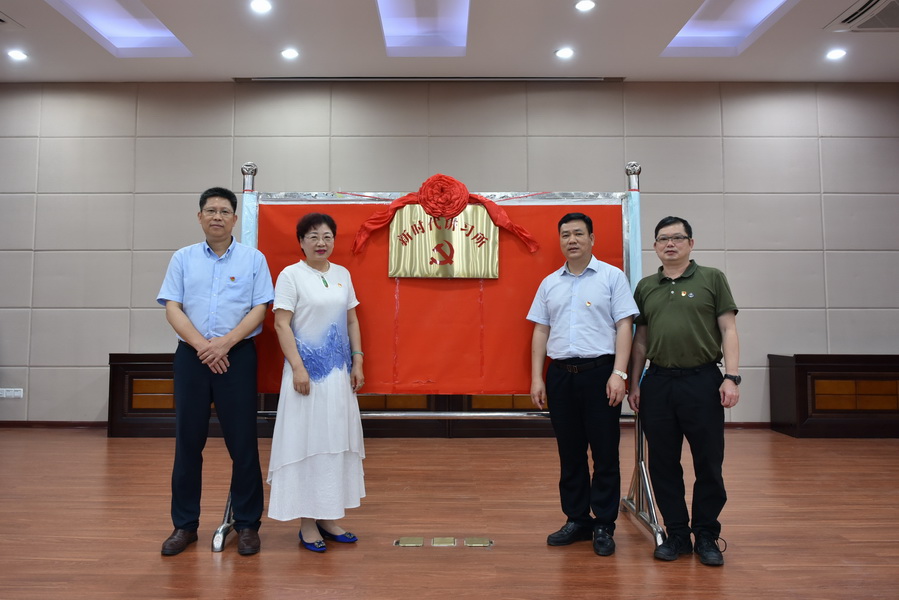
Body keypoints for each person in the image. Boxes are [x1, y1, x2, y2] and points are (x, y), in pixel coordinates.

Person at [157, 187, 274, 556]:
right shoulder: (183, 258)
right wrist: (203, 347)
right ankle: (184, 525)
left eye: (224, 211)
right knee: (188, 443)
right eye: (210, 210)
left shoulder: (253, 259)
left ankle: (247, 524)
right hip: (192, 358)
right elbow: (172, 308)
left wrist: (223, 344)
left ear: (235, 219)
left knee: (243, 444)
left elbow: (260, 309)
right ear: (200, 217)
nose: (217, 217)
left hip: (236, 357)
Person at [628, 215, 740, 567]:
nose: (670, 244)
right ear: (655, 246)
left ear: (691, 243)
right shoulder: (646, 286)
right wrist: (634, 383)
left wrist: (731, 377)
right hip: (658, 383)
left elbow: (729, 329)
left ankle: (706, 533)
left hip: (703, 381)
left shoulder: (712, 278)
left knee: (709, 462)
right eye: (663, 239)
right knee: (663, 463)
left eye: (677, 238)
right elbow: (641, 339)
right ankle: (676, 533)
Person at [527, 212, 638, 557]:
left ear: (592, 238)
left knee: (604, 453)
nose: (571, 240)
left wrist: (619, 374)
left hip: (600, 374)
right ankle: (576, 519)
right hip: (561, 376)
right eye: (565, 235)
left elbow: (625, 326)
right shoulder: (550, 283)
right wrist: (537, 377)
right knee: (570, 453)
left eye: (578, 233)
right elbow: (541, 330)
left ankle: (604, 523)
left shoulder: (612, 277)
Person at [267, 213, 366, 552]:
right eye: (313, 236)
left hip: (338, 377)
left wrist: (357, 360)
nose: (320, 243)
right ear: (301, 242)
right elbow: (281, 324)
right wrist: (298, 367)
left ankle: (328, 516)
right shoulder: (290, 276)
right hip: (305, 379)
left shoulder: (342, 274)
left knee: (334, 441)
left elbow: (351, 320)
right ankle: (307, 523)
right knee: (307, 444)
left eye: (327, 236)